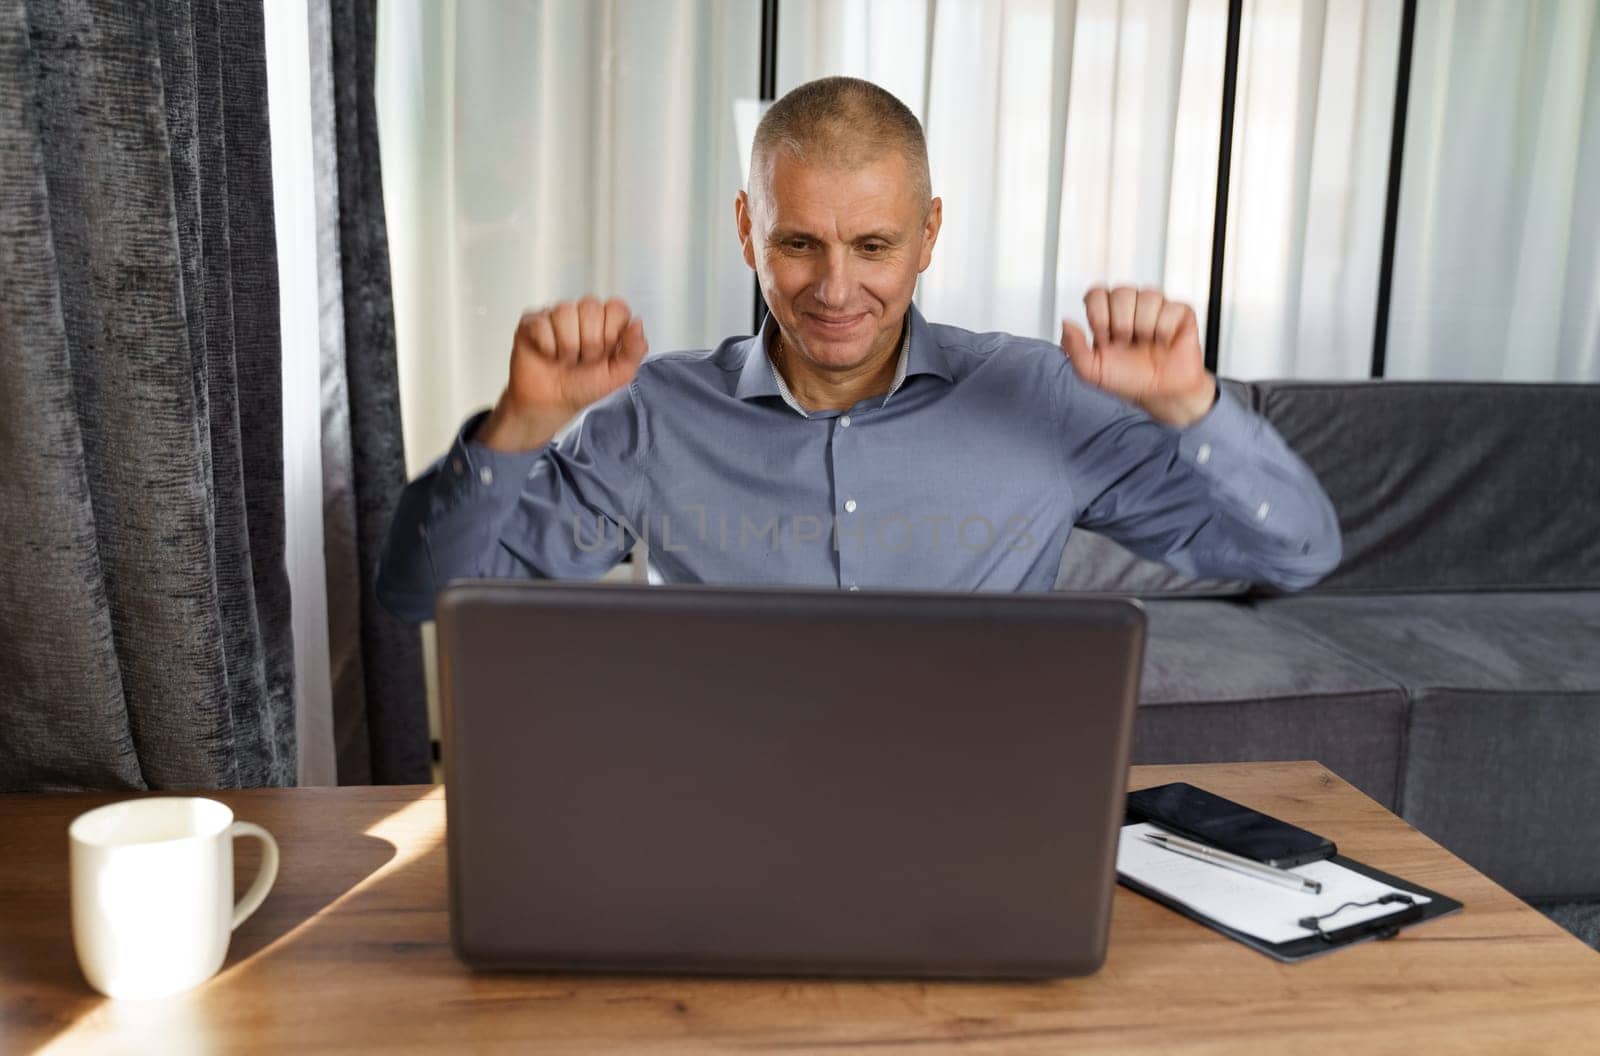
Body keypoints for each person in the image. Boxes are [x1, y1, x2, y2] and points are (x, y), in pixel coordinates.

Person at [377, 76, 1340, 622]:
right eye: (800, 244)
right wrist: (517, 429)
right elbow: (421, 597)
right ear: (749, 230)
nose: (836, 291)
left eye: (874, 246)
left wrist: (1192, 409)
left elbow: (1295, 554)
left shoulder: (1038, 398)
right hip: (726, 807)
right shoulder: (661, 414)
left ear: (928, 234)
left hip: (974, 813)